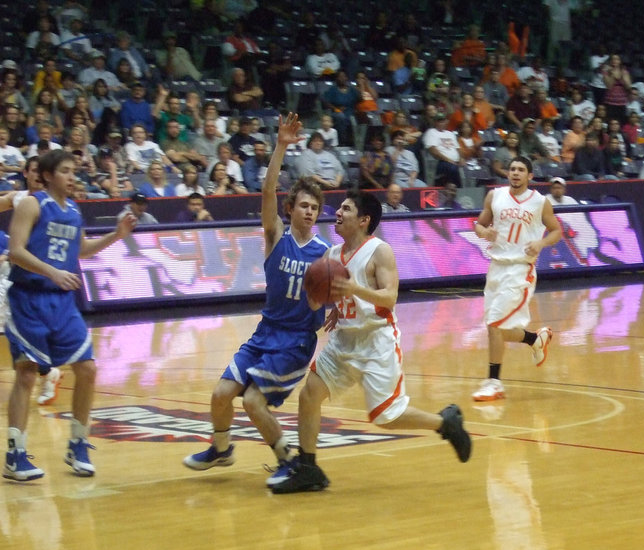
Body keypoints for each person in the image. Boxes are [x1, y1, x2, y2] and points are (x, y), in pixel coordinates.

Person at [269, 190, 472, 494]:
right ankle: (309, 467)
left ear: (363, 220)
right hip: (344, 340)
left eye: (346, 209)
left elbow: (389, 298)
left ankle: (445, 423)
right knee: (309, 395)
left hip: (376, 340)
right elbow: (317, 302)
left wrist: (353, 288)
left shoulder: (380, 251)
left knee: (385, 418)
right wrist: (323, 299)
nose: (337, 212)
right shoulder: (331, 254)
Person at [184, 113, 331, 486]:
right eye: (303, 205)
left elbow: (330, 297)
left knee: (252, 402)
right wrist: (281, 145)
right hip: (266, 331)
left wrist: (334, 311)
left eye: (314, 207)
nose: (309, 211)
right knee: (221, 395)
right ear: (291, 209)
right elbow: (267, 192)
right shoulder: (275, 237)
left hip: (296, 340)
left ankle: (288, 459)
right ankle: (221, 449)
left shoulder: (324, 253)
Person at [2, 149, 137, 481]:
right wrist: (51, 272)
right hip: (29, 297)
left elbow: (81, 251)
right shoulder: (32, 204)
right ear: (48, 176)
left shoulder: (74, 210)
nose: (73, 176)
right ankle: (14, 453)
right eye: (65, 171)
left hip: (61, 300)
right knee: (26, 373)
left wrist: (116, 236)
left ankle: (78, 443)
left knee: (87, 368)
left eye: (74, 171)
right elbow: (15, 251)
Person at [471, 157, 562, 402]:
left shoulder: (540, 202)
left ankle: (494, 383)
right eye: (512, 169)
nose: (515, 173)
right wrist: (484, 232)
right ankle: (535, 338)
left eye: (521, 170)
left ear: (530, 176)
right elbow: (478, 225)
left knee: (495, 324)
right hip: (496, 267)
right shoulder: (495, 196)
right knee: (495, 327)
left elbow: (556, 230)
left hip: (520, 269)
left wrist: (541, 242)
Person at [0, 157, 63, 409]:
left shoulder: (56, 205)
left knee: (29, 334)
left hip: (38, 276)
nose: (39, 175)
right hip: (13, 275)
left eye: (43, 171)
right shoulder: (18, 198)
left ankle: (48, 371)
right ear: (26, 174)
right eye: (34, 170)